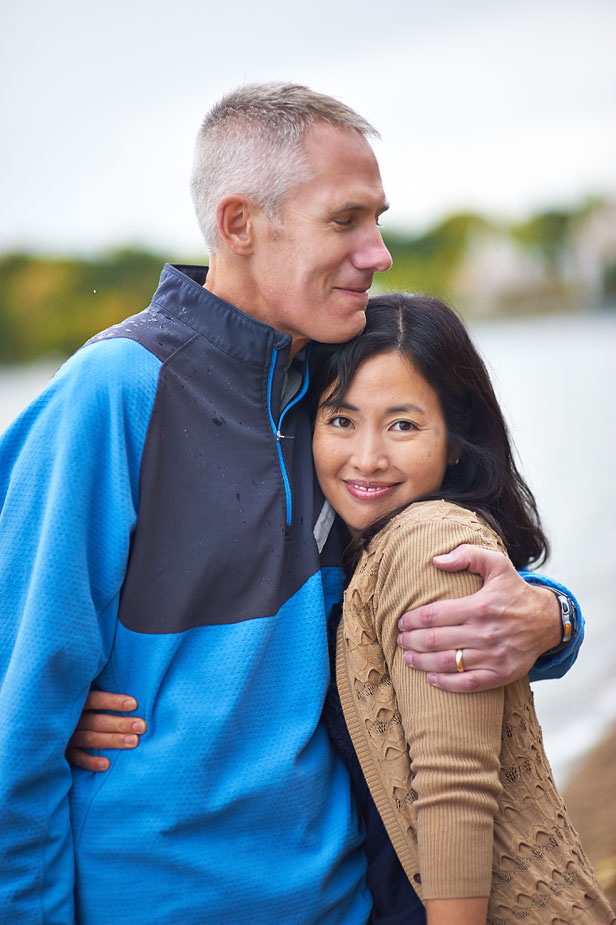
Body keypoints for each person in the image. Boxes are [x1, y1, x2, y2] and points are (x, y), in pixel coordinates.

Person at [0, 84, 581, 924]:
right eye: (346, 221)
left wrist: (552, 620)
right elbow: (18, 719)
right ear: (240, 225)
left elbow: (444, 565)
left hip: (345, 901)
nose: (379, 252)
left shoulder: (334, 402)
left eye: (378, 219)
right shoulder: (113, 392)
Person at [312, 293, 613, 923]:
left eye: (403, 424)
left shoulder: (431, 545)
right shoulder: (342, 546)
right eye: (341, 419)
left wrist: (557, 617)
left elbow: (454, 792)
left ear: (455, 439)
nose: (366, 457)